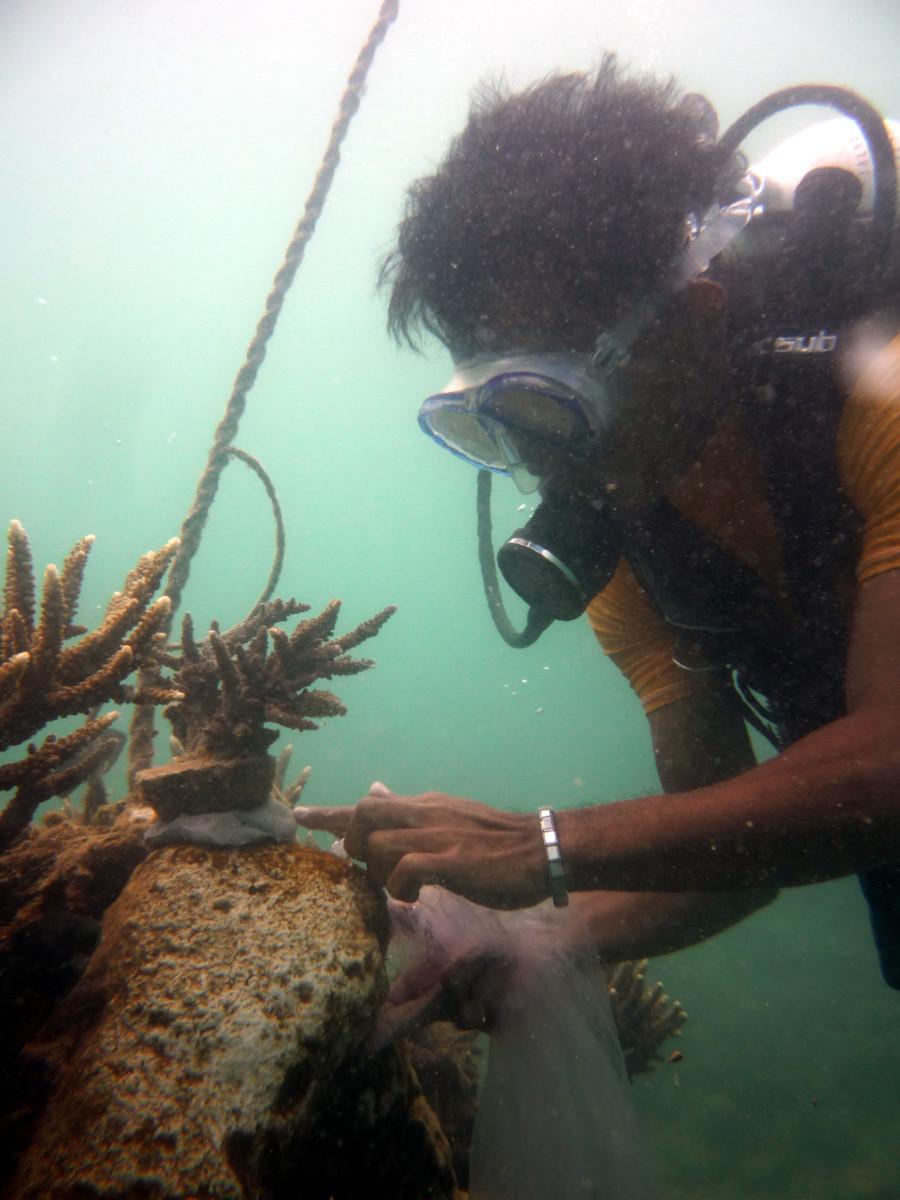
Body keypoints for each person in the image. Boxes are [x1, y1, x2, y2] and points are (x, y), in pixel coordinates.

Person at [296, 56, 900, 992]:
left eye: (553, 399)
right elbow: (727, 856)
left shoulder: (880, 399)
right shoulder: (626, 536)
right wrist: (526, 947)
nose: (539, 458)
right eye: (492, 413)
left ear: (695, 317)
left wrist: (547, 843)